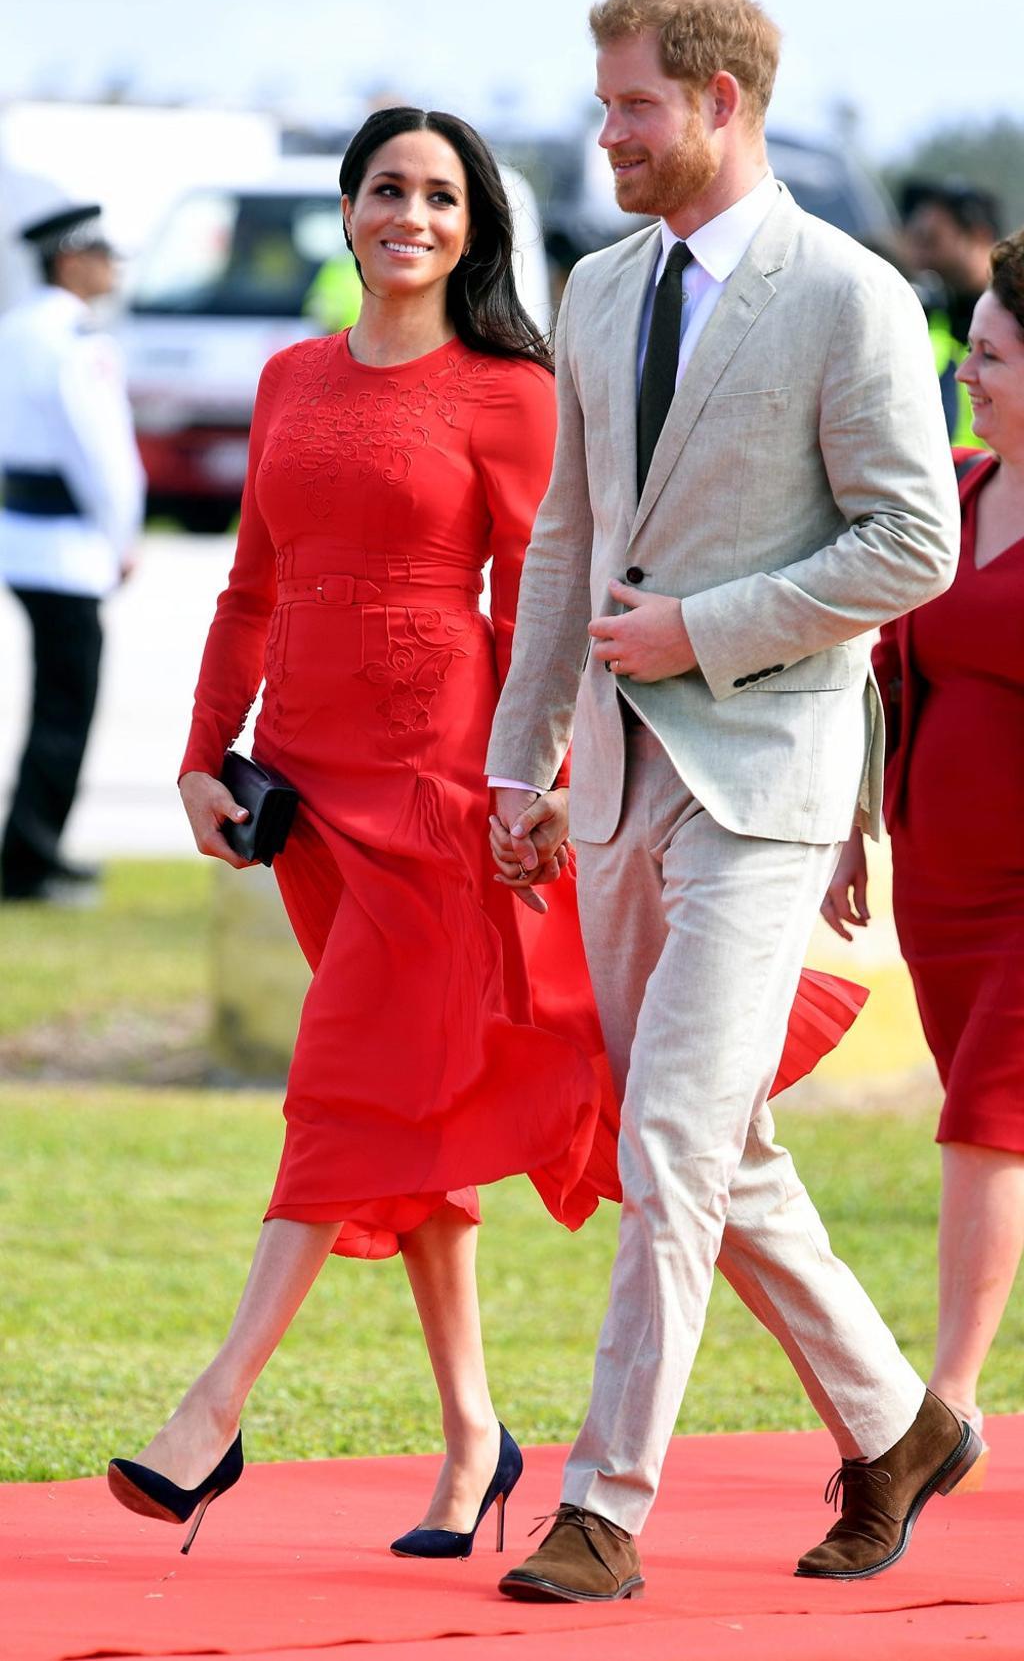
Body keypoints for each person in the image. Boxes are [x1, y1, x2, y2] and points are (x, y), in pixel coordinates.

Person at [105, 105, 864, 1563]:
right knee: (410, 1109)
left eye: (441, 196)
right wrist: (206, 758)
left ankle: (213, 1407)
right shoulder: (284, 378)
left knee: (345, 1085)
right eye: (387, 188)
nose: (412, 215)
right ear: (346, 208)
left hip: (449, 793)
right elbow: (248, 589)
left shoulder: (510, 391)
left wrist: (549, 780)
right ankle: (473, 1438)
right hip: (314, 807)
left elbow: (550, 603)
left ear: (475, 225)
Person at [486, 0, 978, 1603]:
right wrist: (518, 754)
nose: (604, 132)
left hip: (765, 779)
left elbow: (909, 540)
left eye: (631, 103)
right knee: (709, 1146)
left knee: (675, 1138)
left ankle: (602, 1508)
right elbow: (565, 537)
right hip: (618, 790)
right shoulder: (597, 284)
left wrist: (697, 631)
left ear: (719, 101)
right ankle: (897, 1424)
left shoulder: (843, 295)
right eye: (602, 102)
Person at [823, 227, 1024, 1493]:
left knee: (983, 1124)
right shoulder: (948, 487)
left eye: (992, 353)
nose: (965, 371)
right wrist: (850, 814)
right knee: (994, 1119)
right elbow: (876, 668)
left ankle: (942, 1404)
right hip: (940, 885)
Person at [0, 204, 144, 903]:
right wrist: (123, 538)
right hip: (68, 549)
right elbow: (103, 459)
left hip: (20, 537)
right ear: (69, 259)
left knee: (54, 703)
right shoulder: (78, 341)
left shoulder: (16, 330)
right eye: (104, 253)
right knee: (66, 706)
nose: (114, 267)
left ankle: (30, 847)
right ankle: (30, 858)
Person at [902, 180, 1002, 448]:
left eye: (931, 240)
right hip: (958, 482)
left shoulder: (1014, 320)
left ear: (979, 236)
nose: (919, 254)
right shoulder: (930, 315)